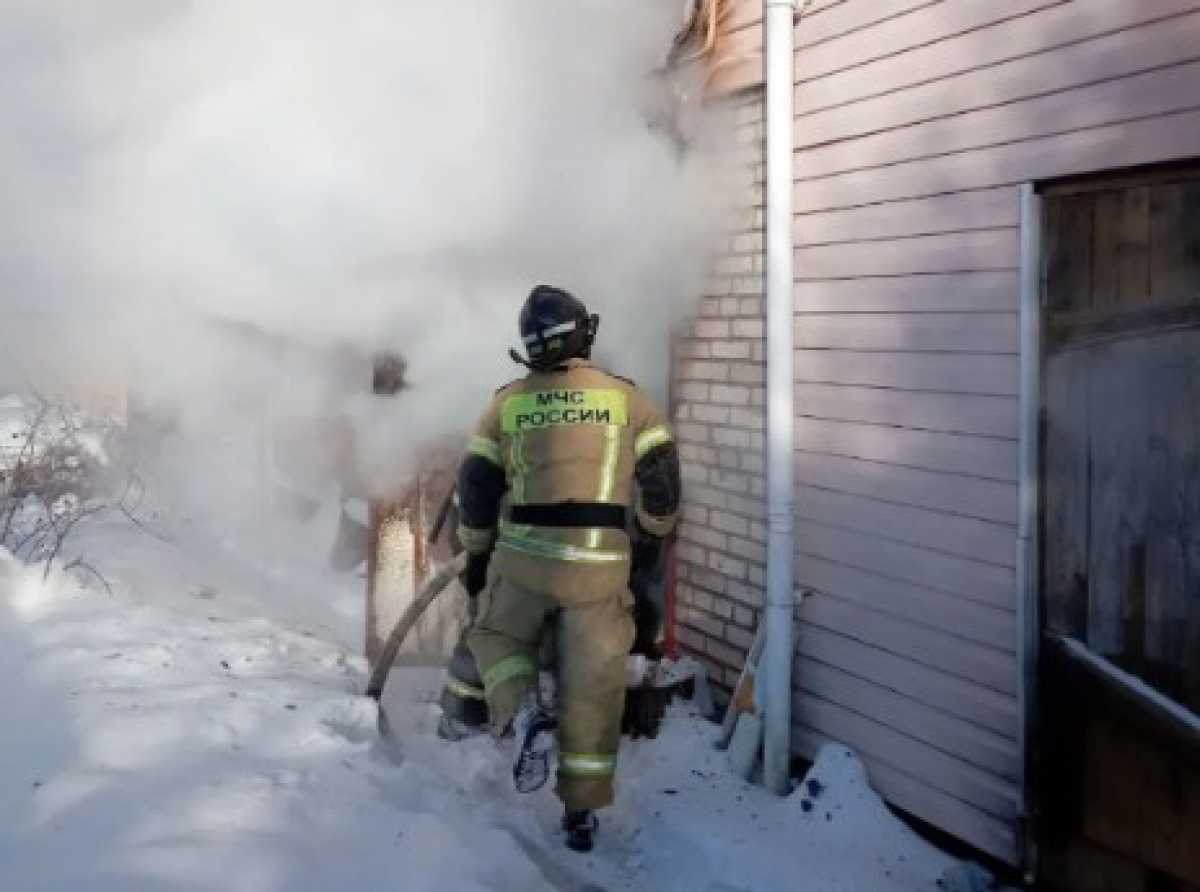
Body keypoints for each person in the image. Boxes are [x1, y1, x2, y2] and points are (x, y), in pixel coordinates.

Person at [454, 284, 680, 852]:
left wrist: (477, 556)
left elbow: (476, 487)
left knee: (493, 634)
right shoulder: (629, 399)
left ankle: (522, 711)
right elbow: (663, 483)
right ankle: (580, 813)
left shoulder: (505, 402)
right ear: (583, 333)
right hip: (600, 563)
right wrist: (648, 545)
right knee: (595, 686)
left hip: (526, 557)